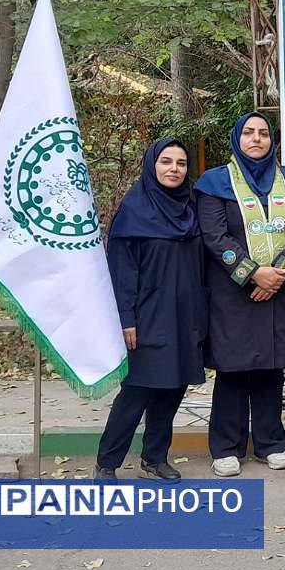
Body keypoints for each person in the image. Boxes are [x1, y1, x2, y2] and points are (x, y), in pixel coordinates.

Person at [195, 112, 285, 477]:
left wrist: (278, 274)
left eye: (263, 133)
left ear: (271, 140)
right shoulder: (216, 183)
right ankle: (226, 447)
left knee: (271, 368)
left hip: (280, 289)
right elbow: (215, 237)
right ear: (237, 138)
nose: (257, 139)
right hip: (233, 293)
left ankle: (270, 443)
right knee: (233, 369)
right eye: (249, 132)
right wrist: (252, 274)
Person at [95, 139, 207, 480]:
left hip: (185, 317)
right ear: (151, 165)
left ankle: (154, 459)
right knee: (137, 392)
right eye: (166, 161)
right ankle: (107, 463)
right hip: (147, 318)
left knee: (173, 390)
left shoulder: (191, 210)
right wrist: (126, 319)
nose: (174, 169)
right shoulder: (134, 211)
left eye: (181, 163)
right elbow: (121, 272)